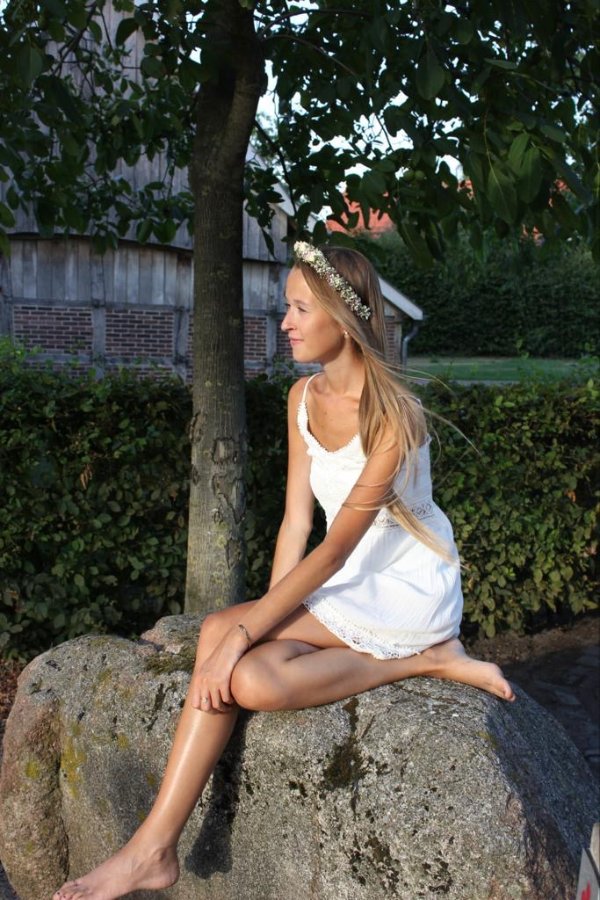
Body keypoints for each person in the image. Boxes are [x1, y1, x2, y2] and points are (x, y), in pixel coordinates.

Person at [53, 243, 514, 900]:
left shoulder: (394, 416)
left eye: (299, 308)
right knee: (250, 678)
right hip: (349, 582)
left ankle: (150, 849)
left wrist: (247, 629)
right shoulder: (302, 397)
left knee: (220, 632)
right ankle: (424, 661)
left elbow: (336, 549)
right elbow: (297, 523)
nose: (285, 322)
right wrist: (266, 626)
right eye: (286, 307)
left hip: (405, 582)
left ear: (341, 317)